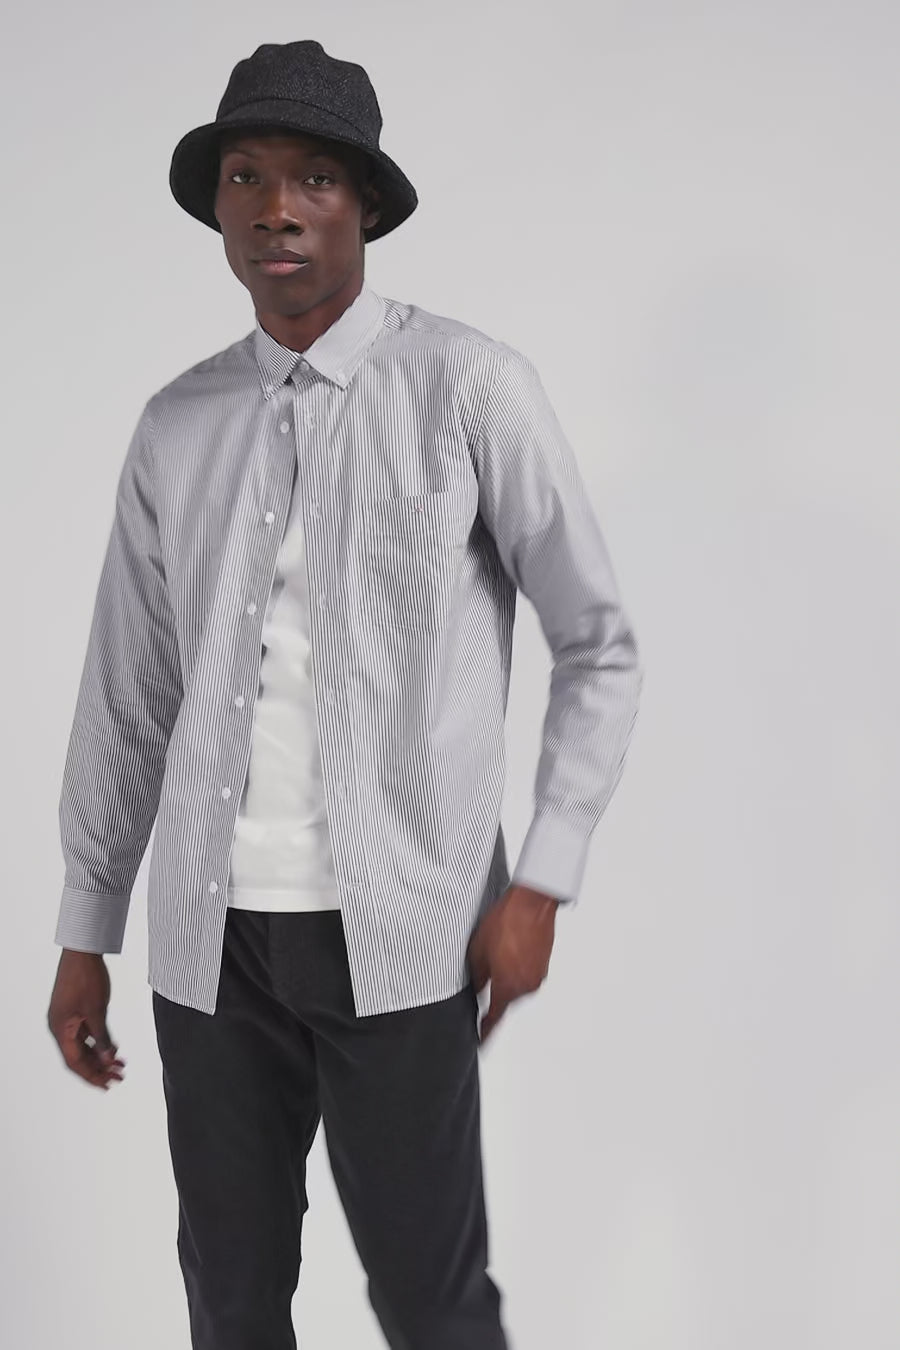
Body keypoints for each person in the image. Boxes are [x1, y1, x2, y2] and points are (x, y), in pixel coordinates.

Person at [46, 38, 643, 1350]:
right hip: (209, 945)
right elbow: (128, 690)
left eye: (314, 178)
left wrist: (542, 881)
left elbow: (597, 642)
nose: (277, 209)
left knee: (431, 1303)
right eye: (247, 177)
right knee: (230, 1302)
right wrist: (87, 924)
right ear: (217, 209)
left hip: (410, 928)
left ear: (364, 202)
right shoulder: (177, 423)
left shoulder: (471, 388)